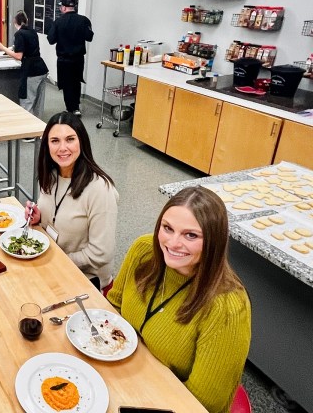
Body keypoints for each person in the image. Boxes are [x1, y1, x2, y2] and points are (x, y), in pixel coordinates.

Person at [107, 187, 251, 413]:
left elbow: (203, 404)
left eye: (190, 235)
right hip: (124, 377)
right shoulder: (143, 250)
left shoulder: (227, 308)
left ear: (214, 241)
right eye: (167, 228)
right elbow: (113, 304)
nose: (173, 243)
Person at [25, 111, 118, 290]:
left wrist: (57, 261)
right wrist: (39, 218)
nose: (62, 148)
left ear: (81, 142)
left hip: (87, 281)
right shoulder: (50, 175)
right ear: (47, 146)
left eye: (70, 139)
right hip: (52, 266)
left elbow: (102, 254)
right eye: (55, 141)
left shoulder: (100, 189)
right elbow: (56, 218)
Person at [0, 10, 49, 119]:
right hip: (42, 69)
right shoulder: (32, 31)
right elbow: (27, 46)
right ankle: (39, 132)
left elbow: (19, 56)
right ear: (26, 21)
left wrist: (3, 48)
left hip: (31, 71)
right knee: (38, 103)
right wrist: (12, 48)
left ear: (15, 22)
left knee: (27, 102)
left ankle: (28, 134)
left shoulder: (19, 34)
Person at [46, 0, 94, 115]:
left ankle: (69, 108)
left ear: (63, 7)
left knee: (66, 84)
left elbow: (51, 40)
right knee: (76, 81)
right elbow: (90, 37)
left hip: (64, 59)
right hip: (78, 59)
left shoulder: (58, 22)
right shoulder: (84, 20)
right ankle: (76, 107)